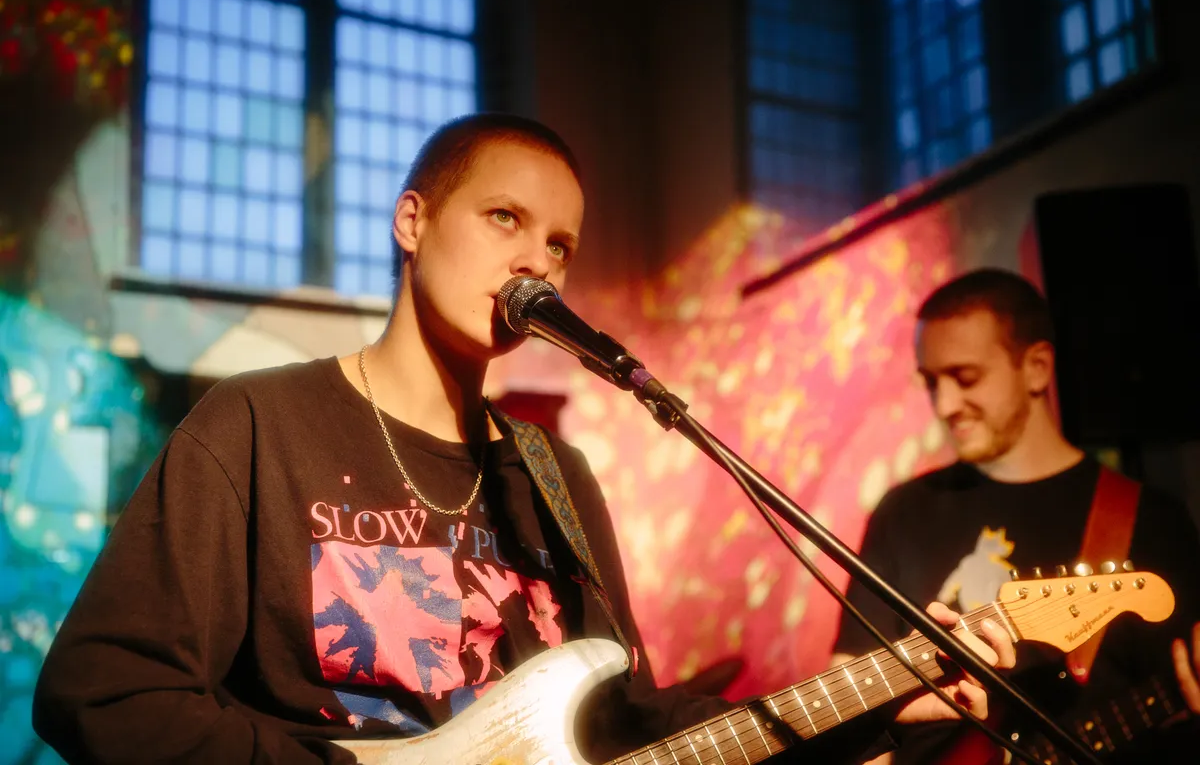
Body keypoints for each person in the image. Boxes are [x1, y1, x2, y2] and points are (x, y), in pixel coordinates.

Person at [33, 113, 1014, 764]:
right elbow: (103, 689)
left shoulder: (555, 475)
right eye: (504, 217)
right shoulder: (257, 425)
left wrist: (873, 701)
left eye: (559, 245)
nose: (534, 261)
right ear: (412, 221)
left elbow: (632, 722)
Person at [832, 268, 1200, 764]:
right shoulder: (902, 512)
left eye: (966, 378)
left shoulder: (1152, 519)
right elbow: (854, 705)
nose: (945, 404)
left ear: (1037, 368)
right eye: (931, 382)